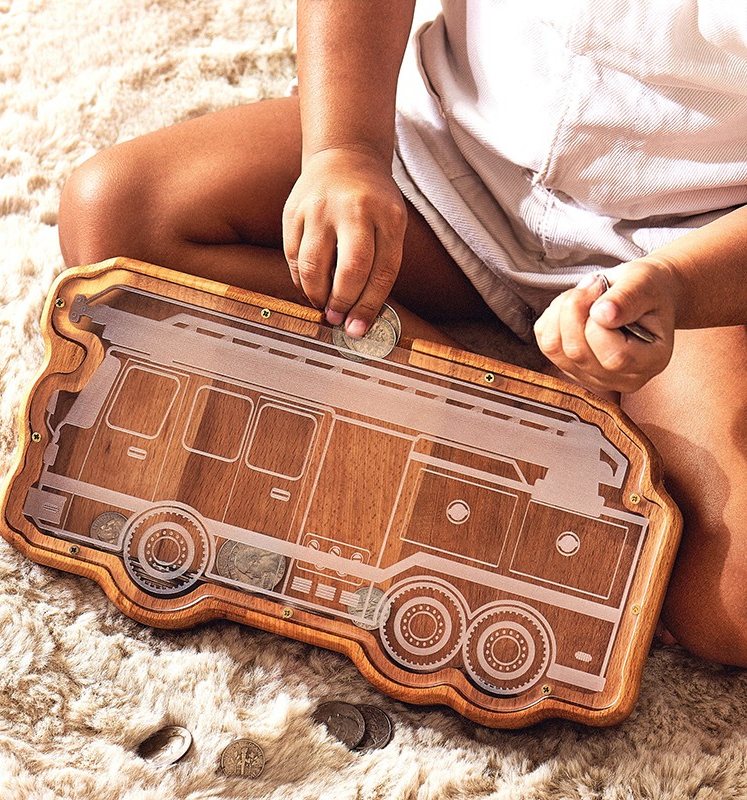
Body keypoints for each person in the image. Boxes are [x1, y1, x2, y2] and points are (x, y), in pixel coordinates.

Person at [58, 0, 747, 667]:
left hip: (692, 244)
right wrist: (345, 149)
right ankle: (481, 408)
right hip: (446, 150)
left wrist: (679, 286)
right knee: (115, 215)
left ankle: (468, 407)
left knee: (733, 604)